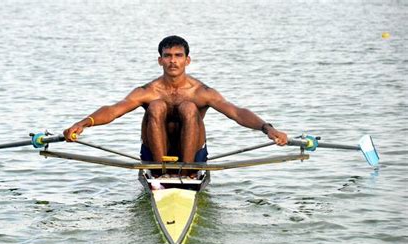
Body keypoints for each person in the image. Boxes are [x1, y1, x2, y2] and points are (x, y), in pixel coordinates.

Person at [63, 35, 288, 176]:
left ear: (187, 60)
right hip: (154, 153)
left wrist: (268, 129)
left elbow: (237, 113)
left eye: (178, 55)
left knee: (189, 108)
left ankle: (189, 172)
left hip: (192, 154)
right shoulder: (148, 91)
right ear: (160, 60)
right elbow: (114, 110)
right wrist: (84, 123)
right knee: (156, 106)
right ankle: (161, 172)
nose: (173, 60)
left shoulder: (201, 92)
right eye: (167, 55)